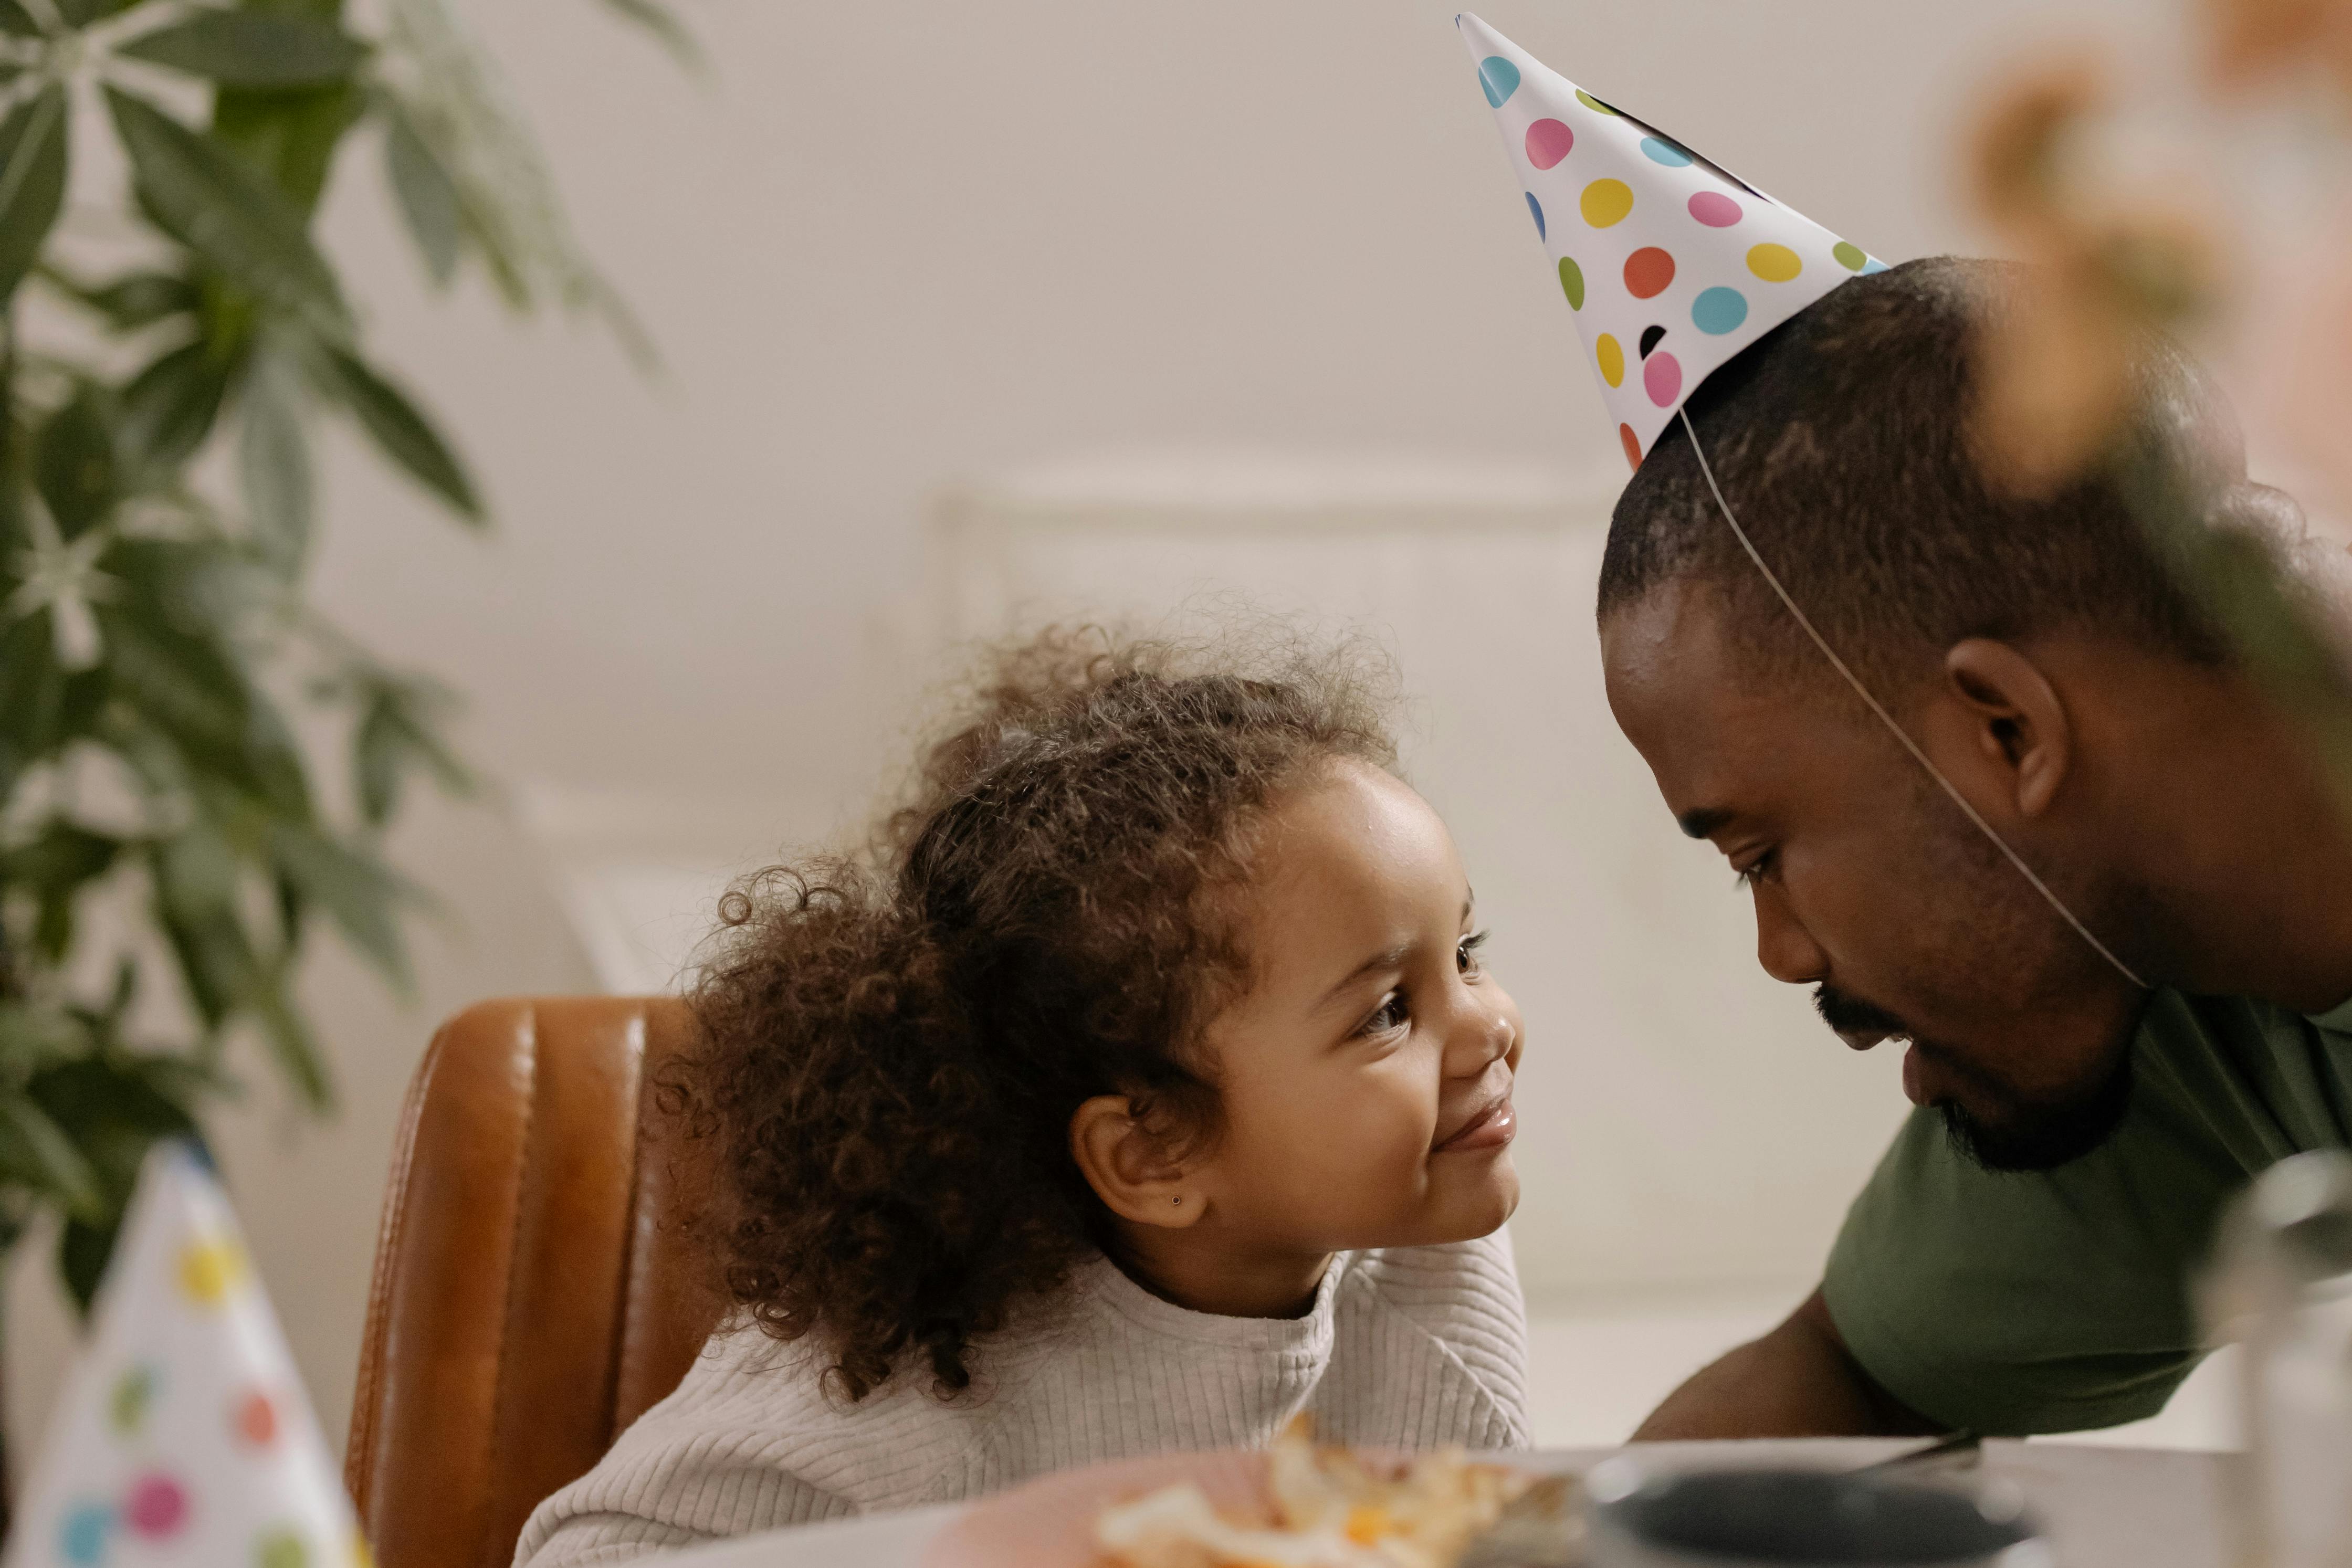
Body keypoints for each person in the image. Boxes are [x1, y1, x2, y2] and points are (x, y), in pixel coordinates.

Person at [513, 630, 1530, 1566]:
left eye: (1466, 955)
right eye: (1387, 1011)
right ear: (1149, 1156)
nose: (1488, 1026)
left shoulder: (1431, 1266)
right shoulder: (902, 1396)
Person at [1601, 255, 2352, 1439]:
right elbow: (1832, 1386)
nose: (1781, 955)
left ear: (2003, 732)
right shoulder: (2153, 972)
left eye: (1758, 854)